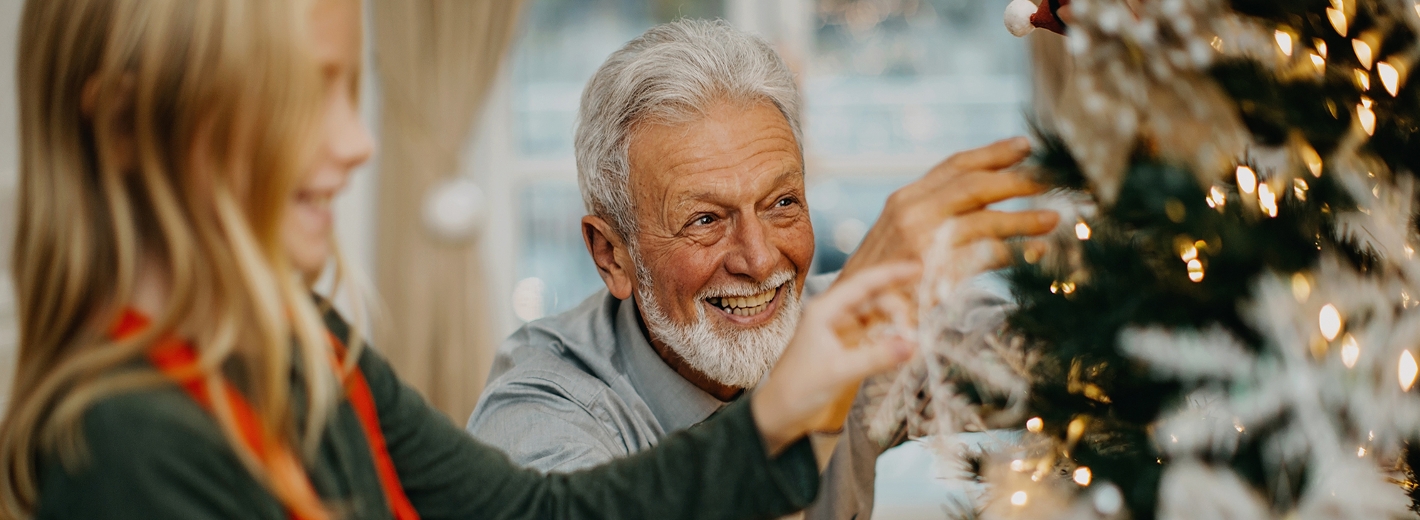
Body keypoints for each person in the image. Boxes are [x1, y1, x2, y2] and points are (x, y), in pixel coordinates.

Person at [0, 1, 922, 519]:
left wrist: (785, 402)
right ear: (127, 123)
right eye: (303, 96)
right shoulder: (128, 449)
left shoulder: (301, 340)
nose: (359, 142)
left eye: (351, 92)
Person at [465, 19, 1060, 520]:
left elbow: (1074, 363)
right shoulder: (540, 407)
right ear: (611, 255)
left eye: (782, 204)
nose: (760, 259)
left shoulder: (847, 320)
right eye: (704, 220)